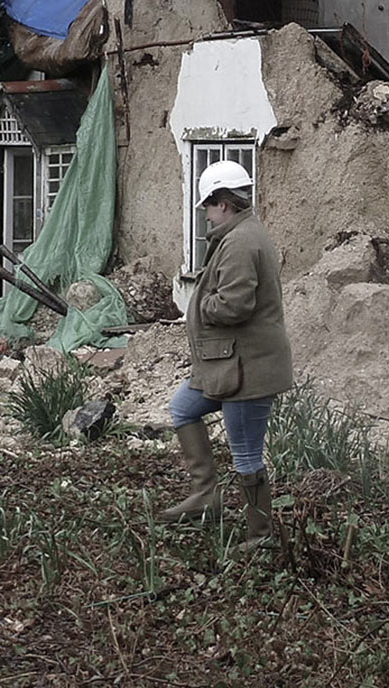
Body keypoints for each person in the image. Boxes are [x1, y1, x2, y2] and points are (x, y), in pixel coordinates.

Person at [157, 160, 294, 548]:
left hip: (247, 369)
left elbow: (235, 306)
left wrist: (201, 307)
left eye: (208, 204)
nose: (205, 212)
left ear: (224, 202)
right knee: (183, 408)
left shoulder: (239, 242)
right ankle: (206, 496)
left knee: (246, 454)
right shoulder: (241, 233)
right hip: (227, 364)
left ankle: (261, 534)